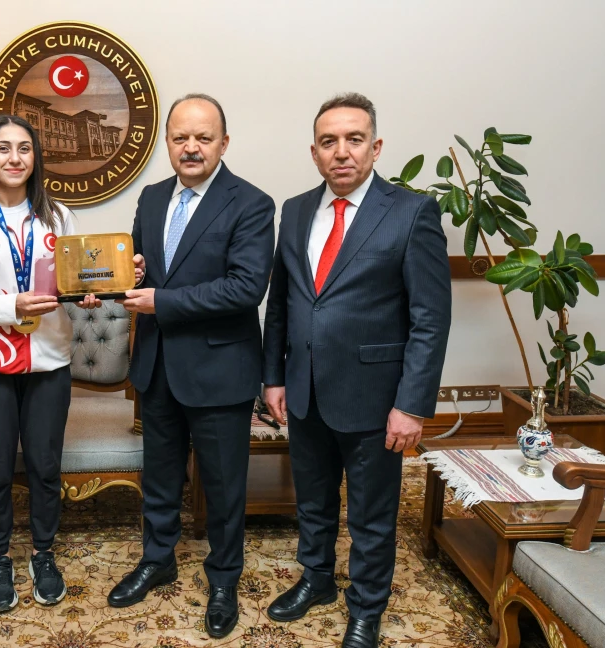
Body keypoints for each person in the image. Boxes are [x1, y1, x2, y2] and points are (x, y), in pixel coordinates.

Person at [262, 93, 451, 648]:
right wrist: (274, 376)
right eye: (329, 142)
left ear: (375, 146)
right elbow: (282, 303)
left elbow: (430, 319)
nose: (341, 152)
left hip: (375, 396)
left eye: (354, 139)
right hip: (304, 390)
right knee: (313, 500)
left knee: (371, 513)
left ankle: (367, 607)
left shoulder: (412, 212)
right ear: (314, 152)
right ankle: (316, 579)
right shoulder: (296, 210)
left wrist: (411, 404)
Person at [108, 94, 275, 639]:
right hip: (157, 366)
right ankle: (157, 560)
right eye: (180, 137)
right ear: (168, 143)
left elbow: (245, 287)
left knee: (223, 488)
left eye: (203, 137)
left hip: (220, 371)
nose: (191, 147)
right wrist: (130, 272)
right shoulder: (153, 197)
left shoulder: (252, 203)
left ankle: (224, 579)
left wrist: (161, 301)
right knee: (159, 477)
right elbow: (143, 267)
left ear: (224, 143)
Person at [0, 115, 99, 613]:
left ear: (36, 158)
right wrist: (12, 306)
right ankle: (0, 558)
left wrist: (88, 292)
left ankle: (44, 554)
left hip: (49, 363)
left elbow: (75, 279)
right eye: (3, 148)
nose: (14, 157)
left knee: (46, 467)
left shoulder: (59, 216)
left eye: (24, 148)